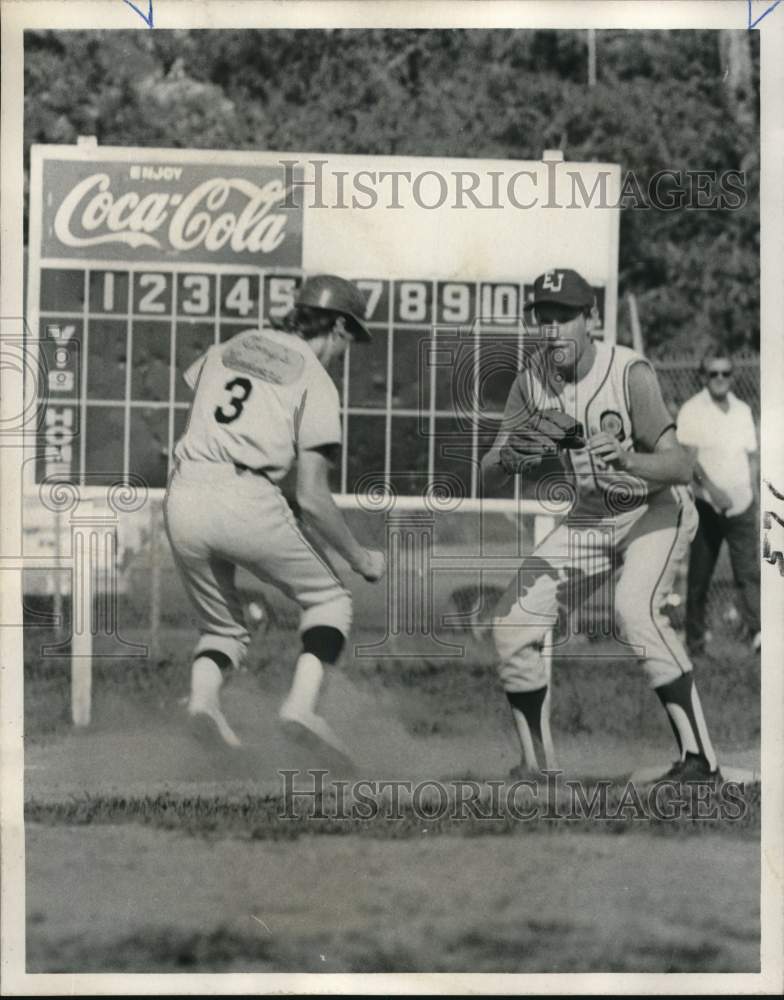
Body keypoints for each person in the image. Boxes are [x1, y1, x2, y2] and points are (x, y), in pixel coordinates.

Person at [481, 267, 722, 782]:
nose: (552, 330)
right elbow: (487, 471)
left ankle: (700, 760)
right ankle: (538, 768)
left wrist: (628, 458)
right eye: (542, 319)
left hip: (654, 509)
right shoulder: (531, 383)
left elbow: (680, 468)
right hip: (591, 517)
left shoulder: (628, 371)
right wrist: (511, 459)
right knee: (513, 623)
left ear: (591, 318)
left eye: (564, 317)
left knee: (634, 610)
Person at [164, 274, 386, 756]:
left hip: (183, 493)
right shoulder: (315, 377)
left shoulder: (236, 343)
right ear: (341, 328)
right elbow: (312, 496)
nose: (347, 351)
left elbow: (199, 385)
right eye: (350, 340)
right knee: (331, 601)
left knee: (223, 627)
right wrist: (360, 558)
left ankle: (203, 702)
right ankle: (301, 707)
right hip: (245, 494)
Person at [677, 351, 760, 655]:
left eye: (726, 373)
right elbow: (688, 462)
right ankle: (695, 642)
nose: (720, 379)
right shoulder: (691, 410)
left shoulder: (742, 410)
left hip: (742, 506)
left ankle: (759, 636)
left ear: (733, 376)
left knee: (748, 574)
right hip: (706, 507)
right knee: (699, 578)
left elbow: (750, 458)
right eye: (714, 374)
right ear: (703, 377)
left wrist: (754, 496)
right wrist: (712, 491)